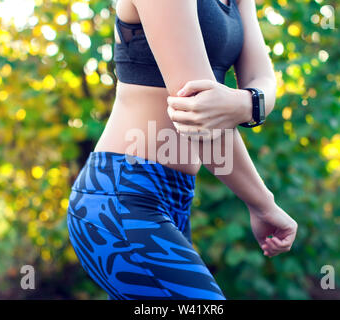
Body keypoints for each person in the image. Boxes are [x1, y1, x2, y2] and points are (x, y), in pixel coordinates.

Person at [66, 0, 297, 300]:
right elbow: (198, 117)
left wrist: (246, 102)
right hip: (121, 196)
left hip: (175, 197)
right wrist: (263, 204)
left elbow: (263, 82)